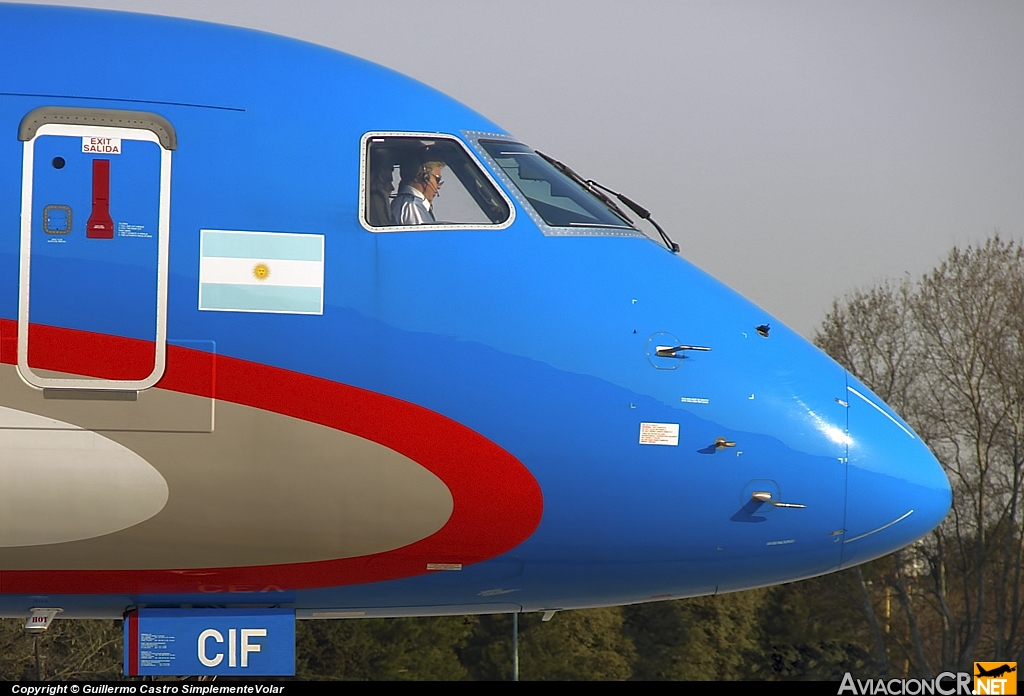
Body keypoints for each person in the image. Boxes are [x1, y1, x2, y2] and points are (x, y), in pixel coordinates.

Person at [391, 159, 444, 225]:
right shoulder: (413, 206)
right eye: (437, 179)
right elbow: (424, 235)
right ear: (422, 176)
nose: (438, 186)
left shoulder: (409, 204)